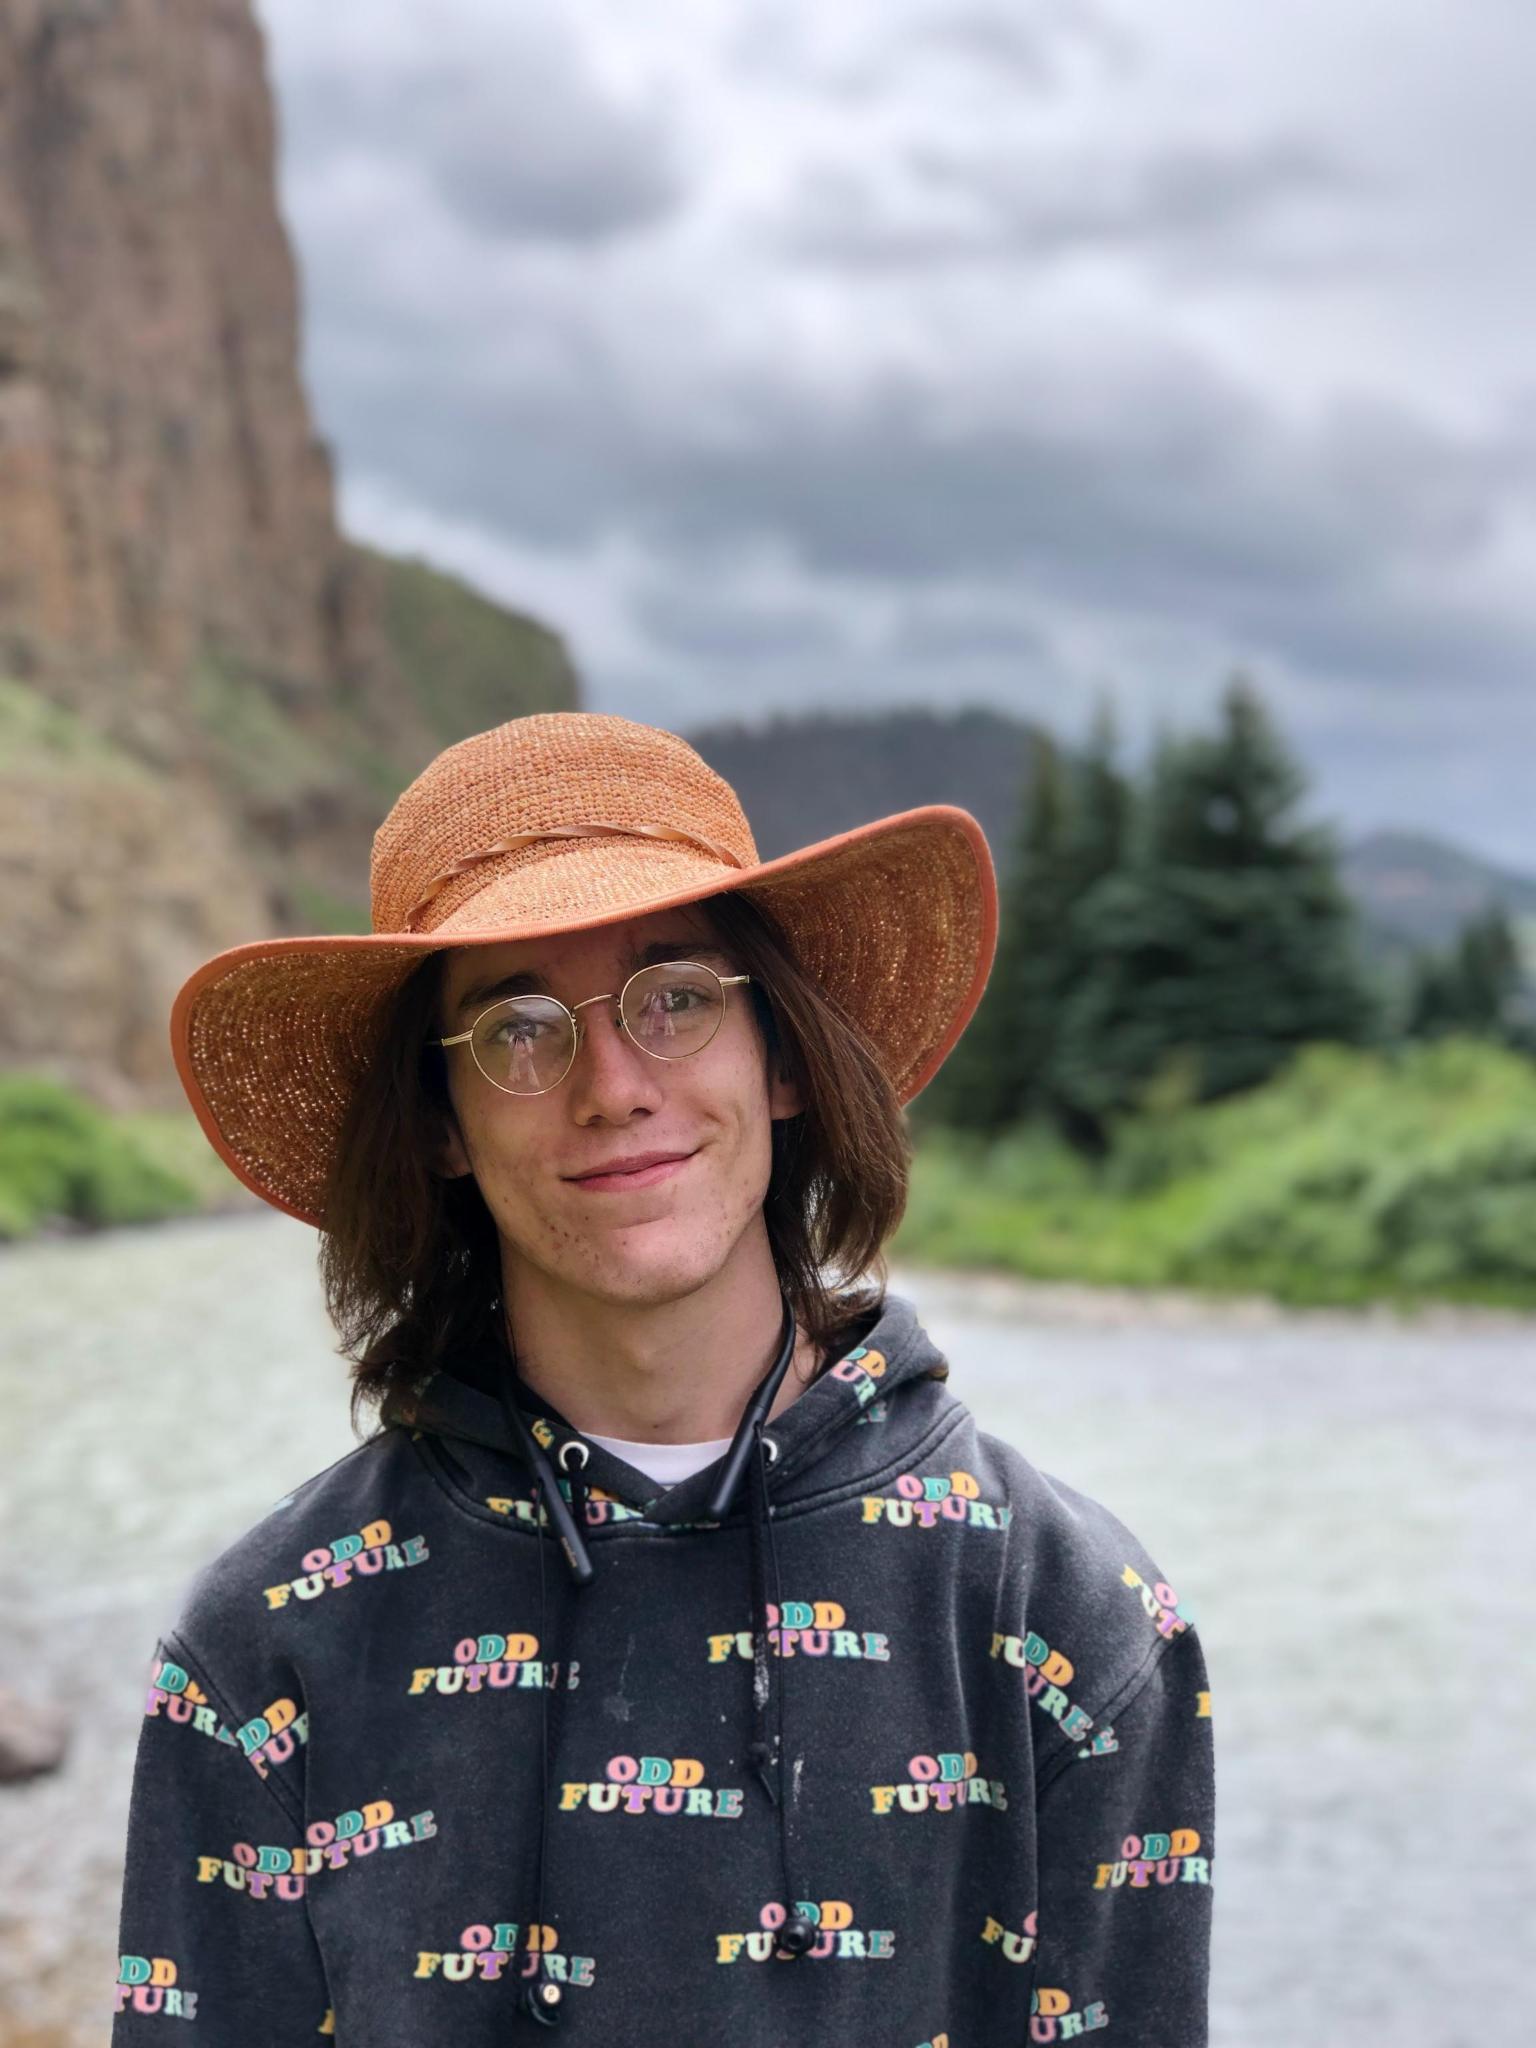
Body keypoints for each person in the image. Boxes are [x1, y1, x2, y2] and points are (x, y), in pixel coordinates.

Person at [110, 710, 1215, 2044]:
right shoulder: (265, 1648)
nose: (615, 1084)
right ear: (440, 1127)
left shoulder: (1071, 1625)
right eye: (518, 1028)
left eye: (678, 999)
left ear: (789, 1057)